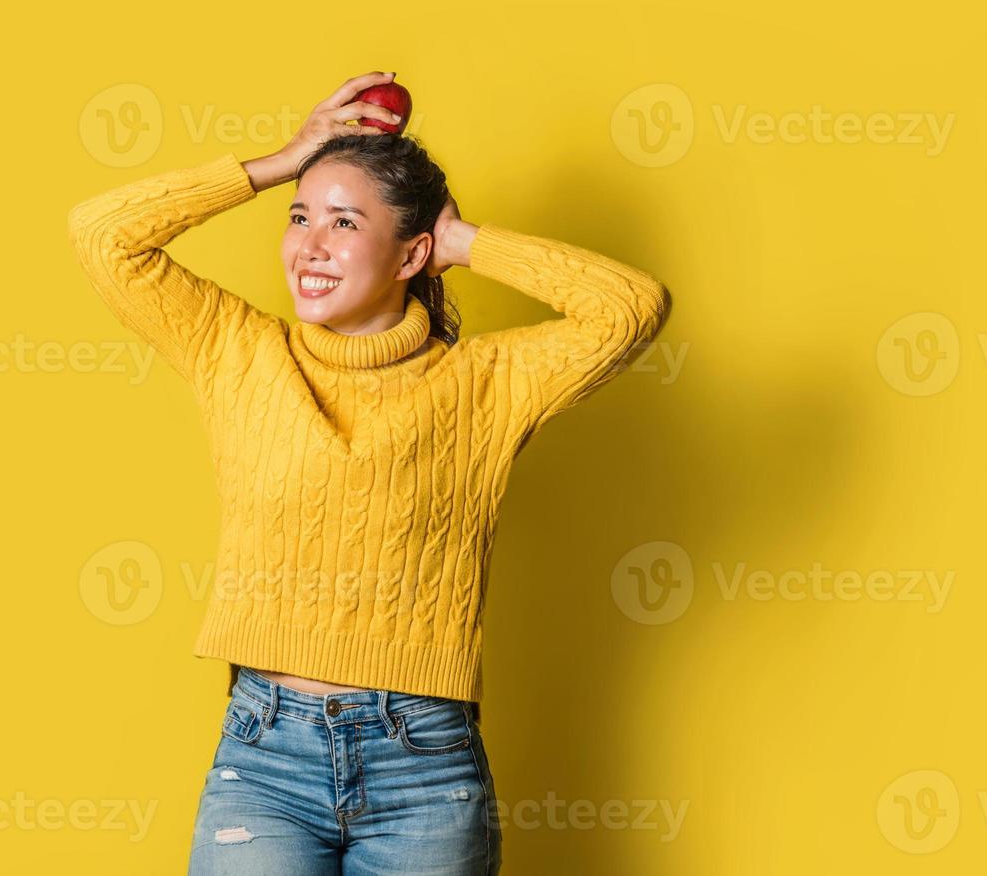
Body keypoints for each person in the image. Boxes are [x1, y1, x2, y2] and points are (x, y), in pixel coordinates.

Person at [67, 71, 671, 875]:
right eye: (299, 217)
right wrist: (281, 162)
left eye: (344, 222)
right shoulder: (238, 352)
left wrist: (464, 243)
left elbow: (631, 306)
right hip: (264, 759)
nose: (309, 245)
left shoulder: (487, 384)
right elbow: (103, 233)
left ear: (410, 252)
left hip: (423, 762)